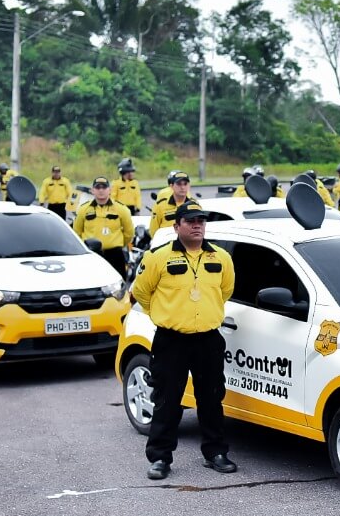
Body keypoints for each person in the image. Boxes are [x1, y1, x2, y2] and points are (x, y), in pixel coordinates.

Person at [132, 200, 237, 480]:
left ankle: (215, 453)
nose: (197, 225)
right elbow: (141, 292)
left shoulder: (221, 258)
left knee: (212, 398)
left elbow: (225, 291)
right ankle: (160, 458)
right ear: (176, 226)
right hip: (171, 341)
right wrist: (162, 315)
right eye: (190, 221)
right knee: (167, 401)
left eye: (200, 221)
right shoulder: (158, 257)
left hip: (208, 340)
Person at [73, 176, 135, 275]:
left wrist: (116, 243)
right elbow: (77, 232)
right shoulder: (83, 210)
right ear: (93, 191)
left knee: (118, 286)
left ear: (109, 190)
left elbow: (129, 233)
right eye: (97, 188)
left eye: (104, 187)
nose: (101, 190)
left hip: (115, 255)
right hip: (92, 255)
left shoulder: (121, 209)